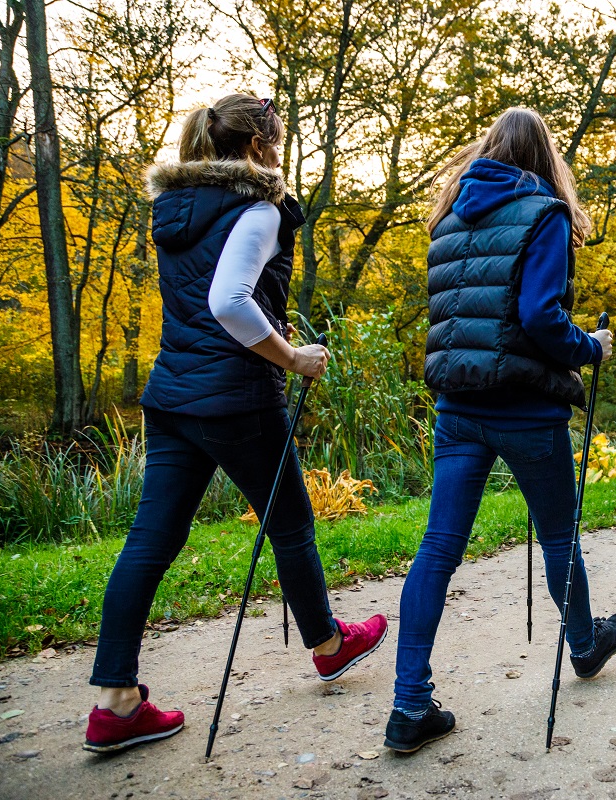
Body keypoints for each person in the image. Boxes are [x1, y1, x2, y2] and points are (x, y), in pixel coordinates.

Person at [84, 93, 388, 754]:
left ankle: (114, 703)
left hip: (172, 396)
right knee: (291, 524)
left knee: (150, 540)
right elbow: (228, 302)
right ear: (256, 148)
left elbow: (202, 300)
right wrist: (293, 357)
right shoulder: (259, 207)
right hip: (238, 399)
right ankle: (329, 645)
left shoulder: (175, 209)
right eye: (278, 142)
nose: (281, 154)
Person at [383, 107, 616, 754]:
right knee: (556, 536)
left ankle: (409, 705)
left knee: (438, 547)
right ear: (546, 158)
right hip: (525, 408)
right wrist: (590, 347)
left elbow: (461, 314)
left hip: (458, 407)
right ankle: (583, 645)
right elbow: (539, 317)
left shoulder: (449, 218)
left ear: (488, 150)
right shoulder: (543, 213)